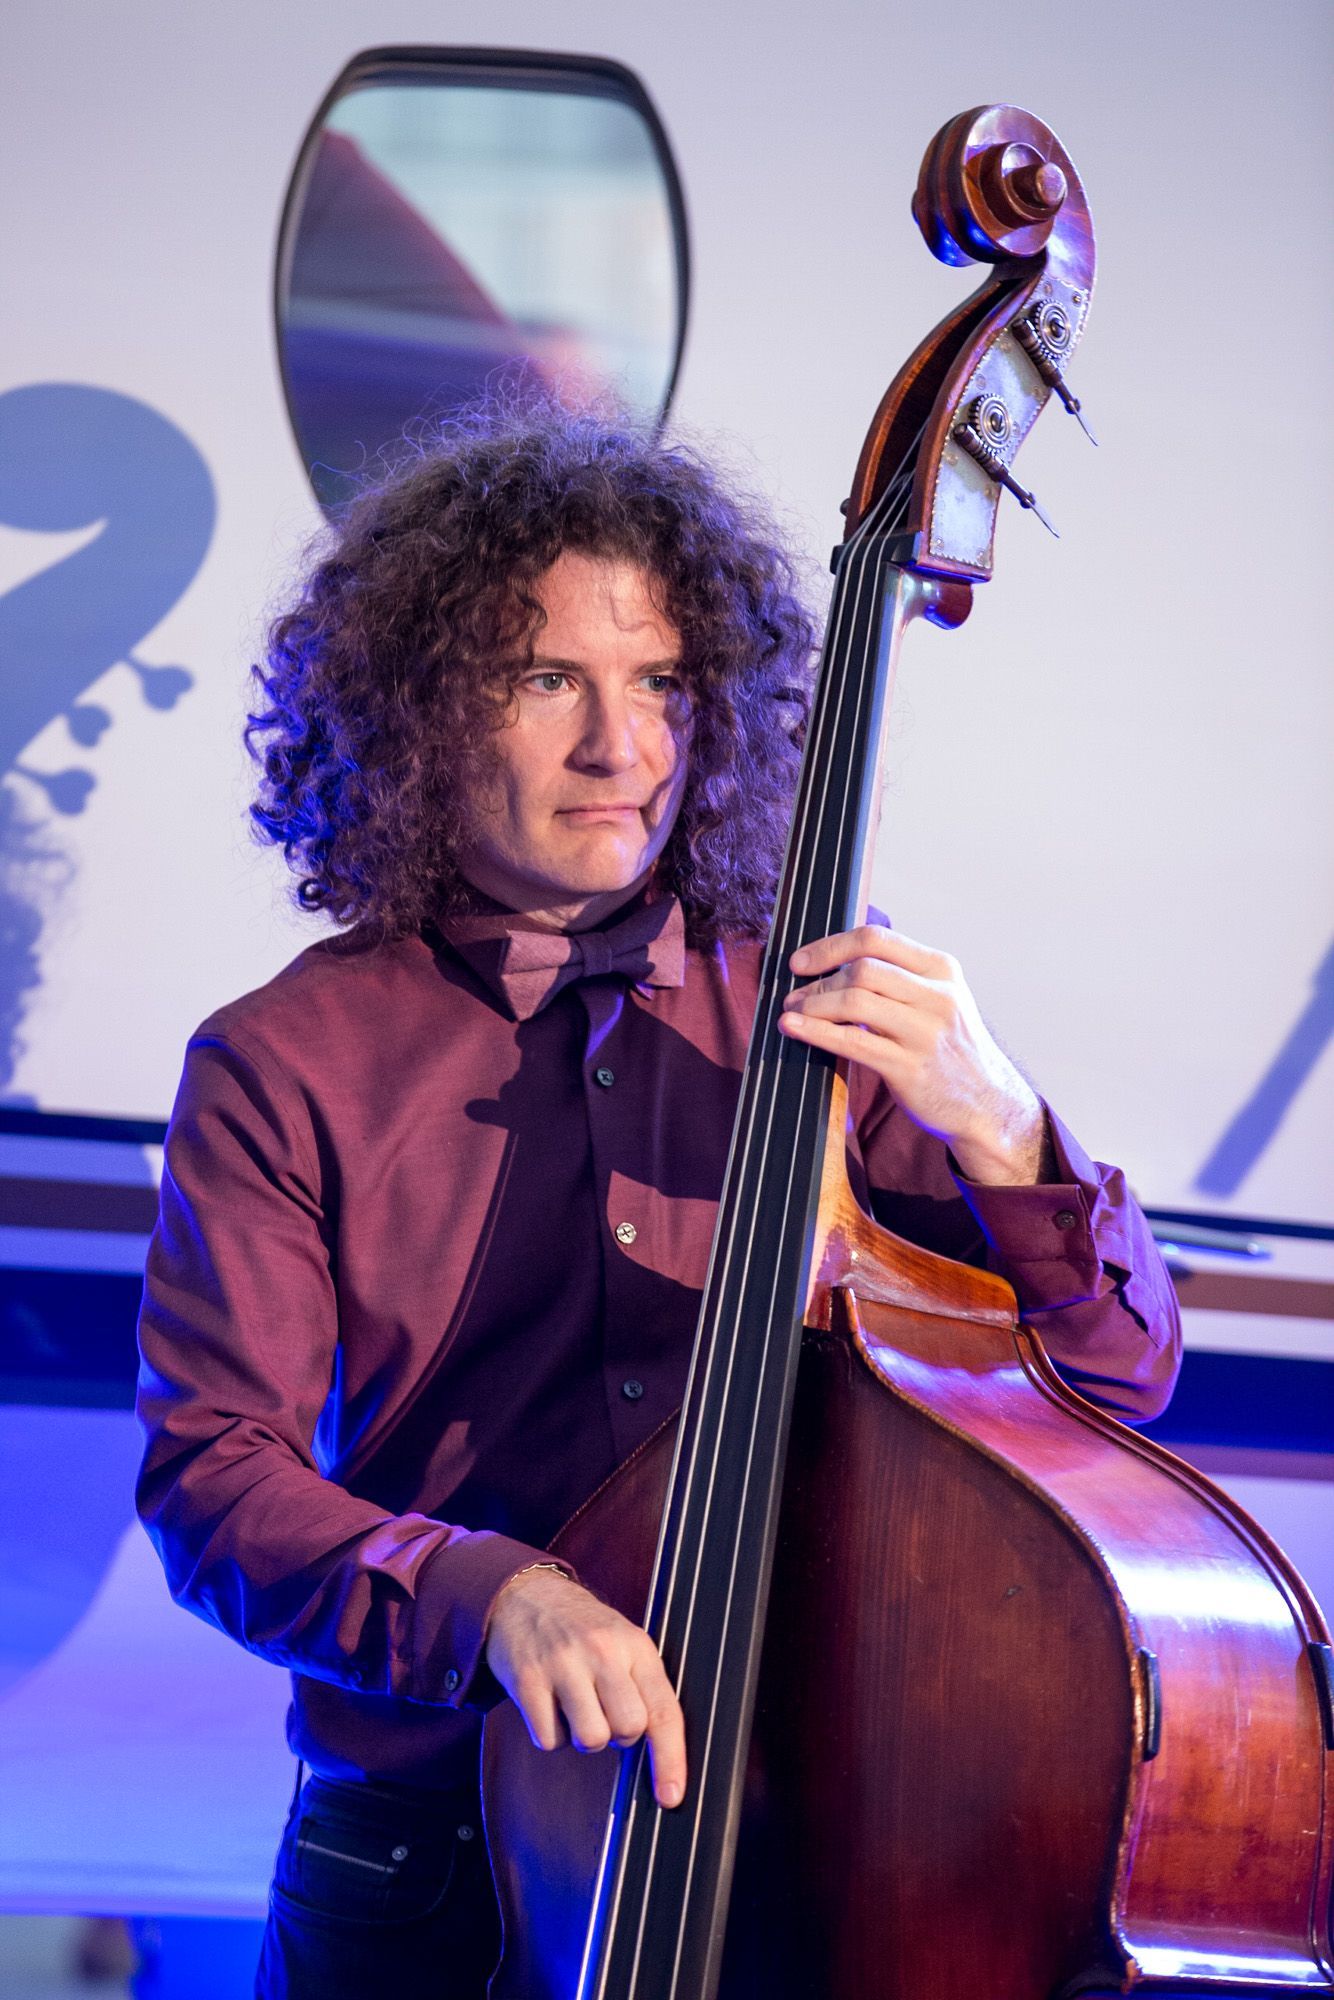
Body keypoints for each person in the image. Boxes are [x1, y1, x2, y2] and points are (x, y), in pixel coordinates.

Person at [135, 406, 1181, 2000]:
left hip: (820, 1837)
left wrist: (1001, 1125)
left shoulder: (824, 1011)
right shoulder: (282, 1060)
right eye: (544, 678)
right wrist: (488, 1594)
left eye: (663, 684)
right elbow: (214, 1481)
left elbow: (1109, 1395)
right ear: (419, 709)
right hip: (429, 1862)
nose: (619, 749)